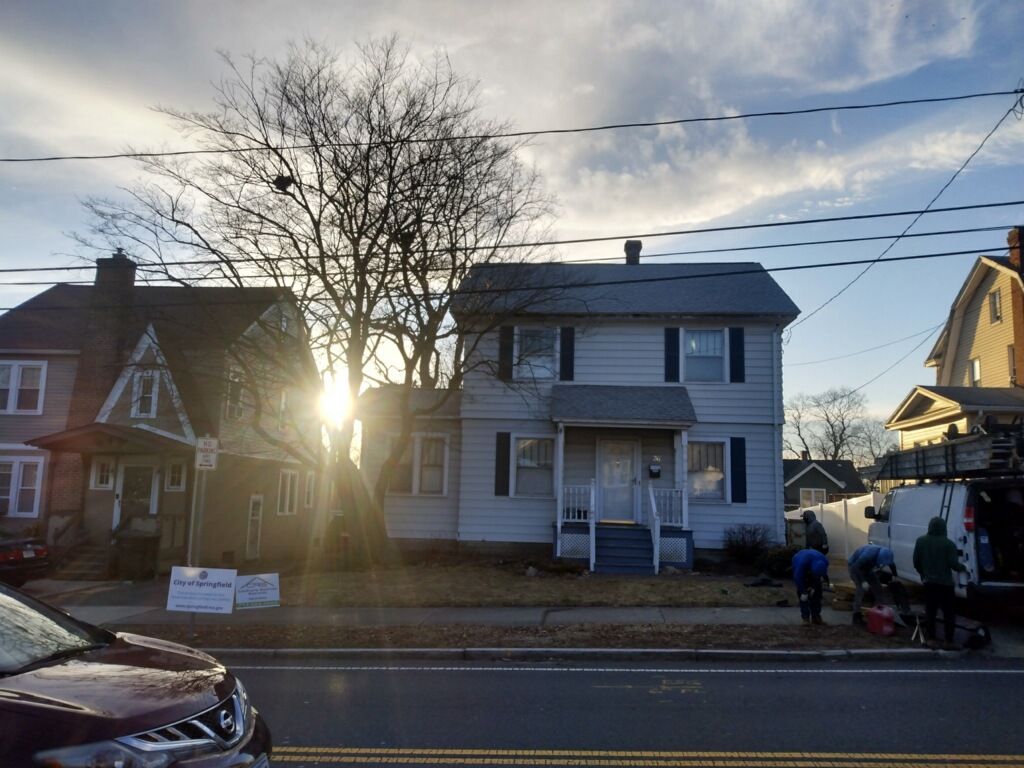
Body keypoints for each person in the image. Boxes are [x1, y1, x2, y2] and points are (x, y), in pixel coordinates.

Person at [913, 516, 967, 650]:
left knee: (930, 611)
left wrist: (923, 574)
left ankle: (931, 639)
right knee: (949, 613)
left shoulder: (920, 542)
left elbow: (916, 562)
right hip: (945, 584)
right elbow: (953, 564)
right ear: (943, 528)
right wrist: (963, 568)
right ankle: (949, 640)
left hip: (929, 583)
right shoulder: (948, 544)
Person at [847, 544, 896, 624]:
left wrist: (895, 576)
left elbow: (892, 564)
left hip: (868, 568)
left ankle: (879, 611)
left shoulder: (887, 554)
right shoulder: (868, 555)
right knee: (861, 589)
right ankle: (856, 614)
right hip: (854, 567)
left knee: (878, 587)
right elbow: (855, 567)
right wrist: (863, 581)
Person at [791, 548, 830, 625]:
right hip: (799, 560)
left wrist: (814, 587)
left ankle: (816, 616)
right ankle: (805, 618)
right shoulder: (801, 564)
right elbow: (797, 578)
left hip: (813, 565)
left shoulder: (825, 561)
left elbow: (821, 576)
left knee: (817, 594)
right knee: (803, 597)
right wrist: (803, 592)